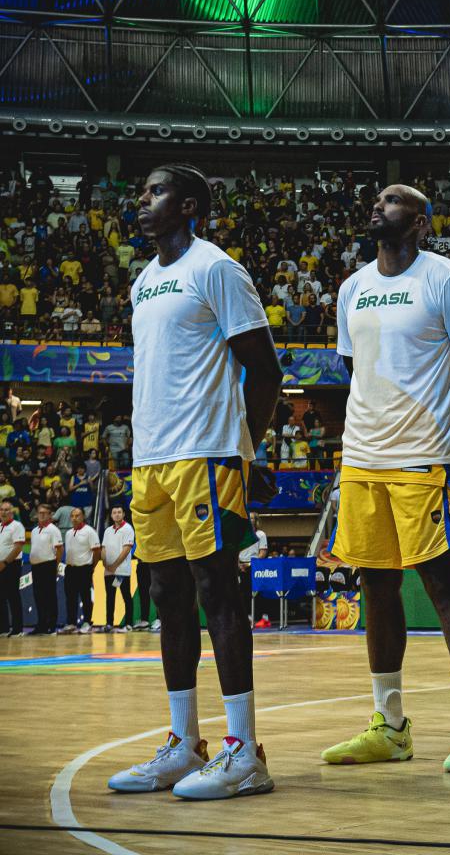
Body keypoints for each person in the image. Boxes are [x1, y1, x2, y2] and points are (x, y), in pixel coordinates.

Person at [107, 163, 283, 800]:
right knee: (167, 593)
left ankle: (244, 750)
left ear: (187, 206)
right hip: (153, 458)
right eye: (143, 193)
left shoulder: (216, 268)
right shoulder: (144, 281)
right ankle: (185, 742)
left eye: (154, 193)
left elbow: (264, 370)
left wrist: (246, 450)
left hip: (207, 453)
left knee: (218, 589)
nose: (142, 201)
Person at [321, 183, 450, 774]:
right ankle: (390, 726)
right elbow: (356, 370)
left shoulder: (445, 279)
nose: (379, 205)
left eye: (395, 200)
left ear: (422, 223)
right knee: (375, 586)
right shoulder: (352, 287)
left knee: (441, 583)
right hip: (362, 457)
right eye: (375, 198)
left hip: (426, 455)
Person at [60, 506, 100, 634]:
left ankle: (87, 622)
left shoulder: (90, 531)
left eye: (77, 515)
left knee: (85, 596)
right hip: (70, 568)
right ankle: (71, 623)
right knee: (70, 597)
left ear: (83, 517)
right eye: (72, 516)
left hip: (84, 568)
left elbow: (97, 551)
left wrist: (91, 567)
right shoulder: (68, 533)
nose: (74, 518)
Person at [101, 506, 136, 632]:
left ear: (124, 514)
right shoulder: (107, 531)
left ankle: (128, 624)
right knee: (110, 597)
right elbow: (103, 548)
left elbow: (127, 549)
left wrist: (115, 565)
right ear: (111, 515)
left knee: (126, 596)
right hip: (108, 571)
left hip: (121, 571)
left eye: (119, 512)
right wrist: (105, 564)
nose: (117, 515)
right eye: (114, 512)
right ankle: (109, 623)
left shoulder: (128, 529)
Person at [29, 503, 62, 634]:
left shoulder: (53, 530)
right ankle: (41, 624)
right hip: (36, 567)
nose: (42, 515)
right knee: (38, 596)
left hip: (48, 565)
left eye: (45, 513)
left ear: (50, 515)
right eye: (40, 513)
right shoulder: (34, 530)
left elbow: (59, 549)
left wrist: (55, 565)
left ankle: (51, 625)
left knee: (50, 596)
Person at [238, 514, 268, 628]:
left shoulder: (261, 534)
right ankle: (245, 617)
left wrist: (249, 564)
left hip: (254, 566)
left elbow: (263, 552)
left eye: (252, 518)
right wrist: (238, 564)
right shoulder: (241, 533)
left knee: (255, 593)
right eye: (248, 518)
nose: (250, 520)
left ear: (256, 521)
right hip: (240, 565)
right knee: (241, 593)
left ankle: (259, 617)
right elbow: (237, 550)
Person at [0, 499, 25, 635]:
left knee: (13, 596)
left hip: (11, 565)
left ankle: (17, 628)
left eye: (6, 510)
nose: (3, 512)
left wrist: (5, 563)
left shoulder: (17, 526)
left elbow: (18, 548)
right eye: (1, 510)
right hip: (0, 565)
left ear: (12, 512)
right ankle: (3, 628)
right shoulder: (0, 526)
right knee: (0, 597)